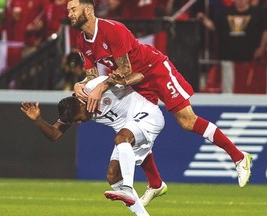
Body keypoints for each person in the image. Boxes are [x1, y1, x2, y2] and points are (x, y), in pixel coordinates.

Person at [67, 0, 252, 195]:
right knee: (134, 128)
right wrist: (81, 84)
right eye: (68, 10)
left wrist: (102, 87)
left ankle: (239, 157)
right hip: (133, 81)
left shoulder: (111, 30)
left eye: (73, 9)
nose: (69, 13)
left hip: (154, 70)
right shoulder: (81, 40)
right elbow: (92, 77)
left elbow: (125, 68)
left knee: (188, 121)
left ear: (88, 10)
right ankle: (155, 184)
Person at [21, 75, 167, 215]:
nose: (79, 122)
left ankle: (127, 187)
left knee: (121, 138)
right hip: (130, 131)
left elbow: (137, 76)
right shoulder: (73, 107)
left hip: (147, 114)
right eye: (75, 121)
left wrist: (115, 80)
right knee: (112, 176)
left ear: (81, 104)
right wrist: (38, 120)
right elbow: (54, 134)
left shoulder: (97, 87)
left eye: (79, 118)